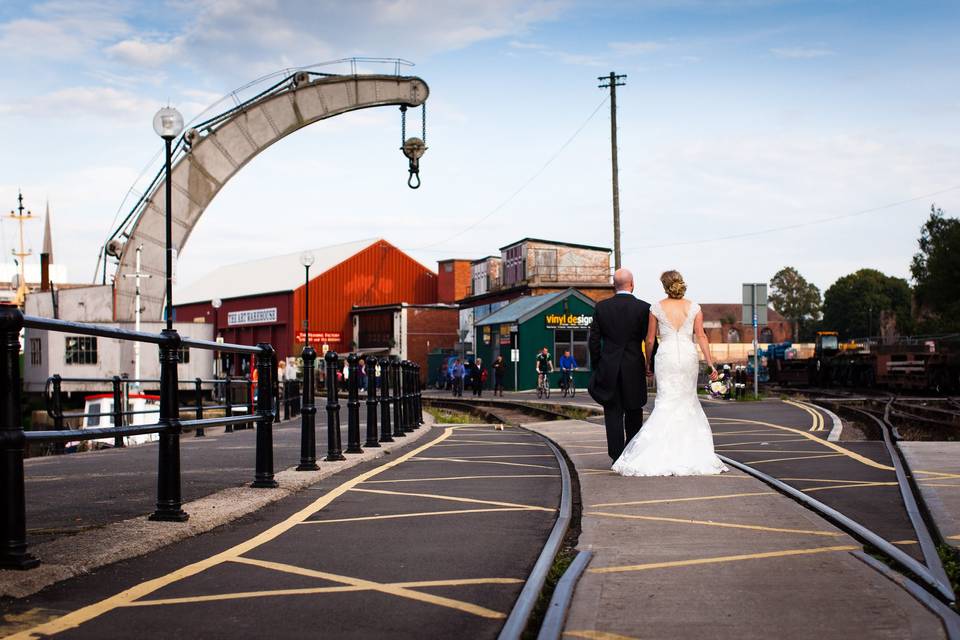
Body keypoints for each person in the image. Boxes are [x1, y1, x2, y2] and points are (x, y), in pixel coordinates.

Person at [611, 270, 727, 477]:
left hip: (666, 357)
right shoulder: (694, 308)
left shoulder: (656, 307)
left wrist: (647, 364)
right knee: (687, 401)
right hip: (688, 357)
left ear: (664, 286)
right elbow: (701, 336)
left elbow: (649, 340)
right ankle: (690, 454)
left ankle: (658, 453)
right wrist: (710, 364)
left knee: (666, 402)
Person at [588, 269, 649, 461]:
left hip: (609, 367)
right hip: (634, 367)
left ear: (614, 285)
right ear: (632, 284)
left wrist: (598, 365)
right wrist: (650, 366)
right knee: (634, 411)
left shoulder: (602, 307)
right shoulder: (644, 308)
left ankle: (616, 456)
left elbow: (594, 341)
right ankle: (631, 455)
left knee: (613, 412)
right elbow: (650, 341)